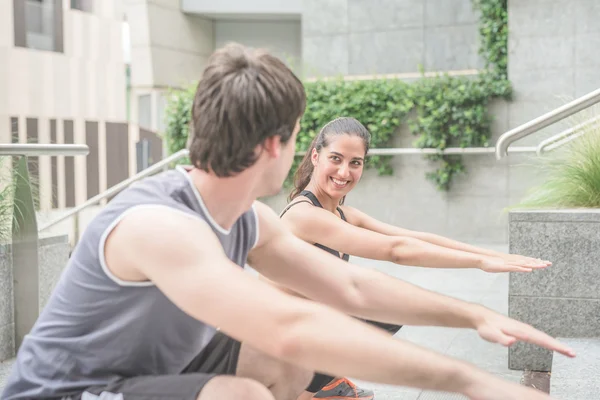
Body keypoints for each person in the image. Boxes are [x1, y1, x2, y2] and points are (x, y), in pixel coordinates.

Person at [1, 43, 573, 400]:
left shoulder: (247, 217)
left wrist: (474, 315)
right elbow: (290, 322)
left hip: (156, 369)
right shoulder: (160, 225)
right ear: (277, 143)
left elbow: (350, 285)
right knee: (240, 391)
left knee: (286, 360)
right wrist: (471, 381)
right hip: (73, 391)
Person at [274, 117, 553, 400]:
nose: (344, 171)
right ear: (315, 156)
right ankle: (302, 393)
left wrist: (490, 255)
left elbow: (413, 237)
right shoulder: (304, 215)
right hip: (277, 342)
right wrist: (479, 263)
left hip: (309, 330)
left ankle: (325, 383)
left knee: (384, 310)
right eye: (336, 158)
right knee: (377, 305)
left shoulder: (343, 214)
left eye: (355, 162)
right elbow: (397, 250)